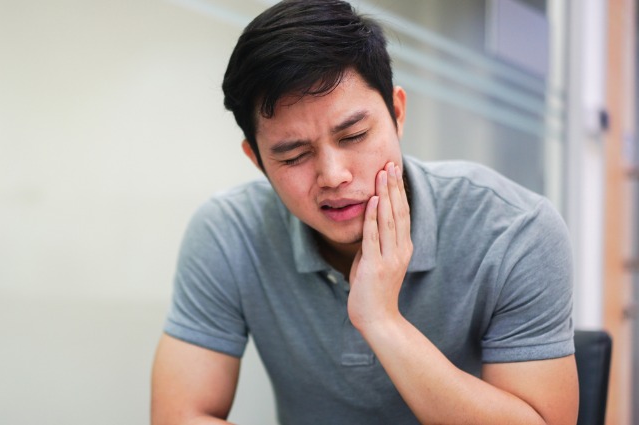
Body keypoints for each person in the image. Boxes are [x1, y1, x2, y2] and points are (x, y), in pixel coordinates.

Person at [151, 0, 579, 424]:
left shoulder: (516, 230)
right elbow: (180, 415)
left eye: (353, 135)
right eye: (294, 155)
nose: (333, 176)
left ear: (397, 112)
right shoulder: (229, 232)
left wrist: (382, 322)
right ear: (257, 160)